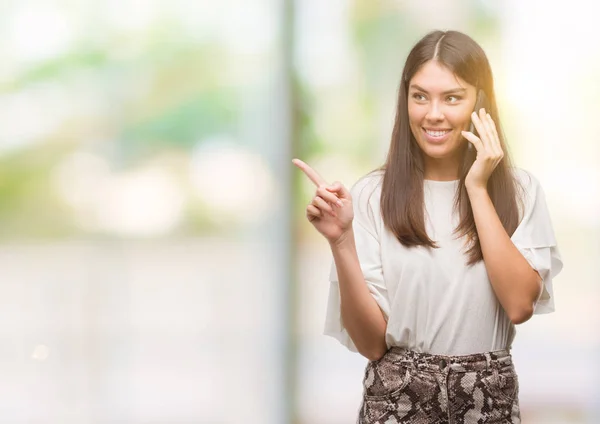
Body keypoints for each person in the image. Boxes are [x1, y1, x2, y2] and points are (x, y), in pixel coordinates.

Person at [292, 30, 563, 423]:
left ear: (481, 103)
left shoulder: (520, 191)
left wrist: (477, 187)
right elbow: (371, 344)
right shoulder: (371, 195)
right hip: (396, 403)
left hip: (487, 403)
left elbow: (520, 304)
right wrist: (341, 241)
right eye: (420, 96)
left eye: (452, 97)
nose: (433, 113)